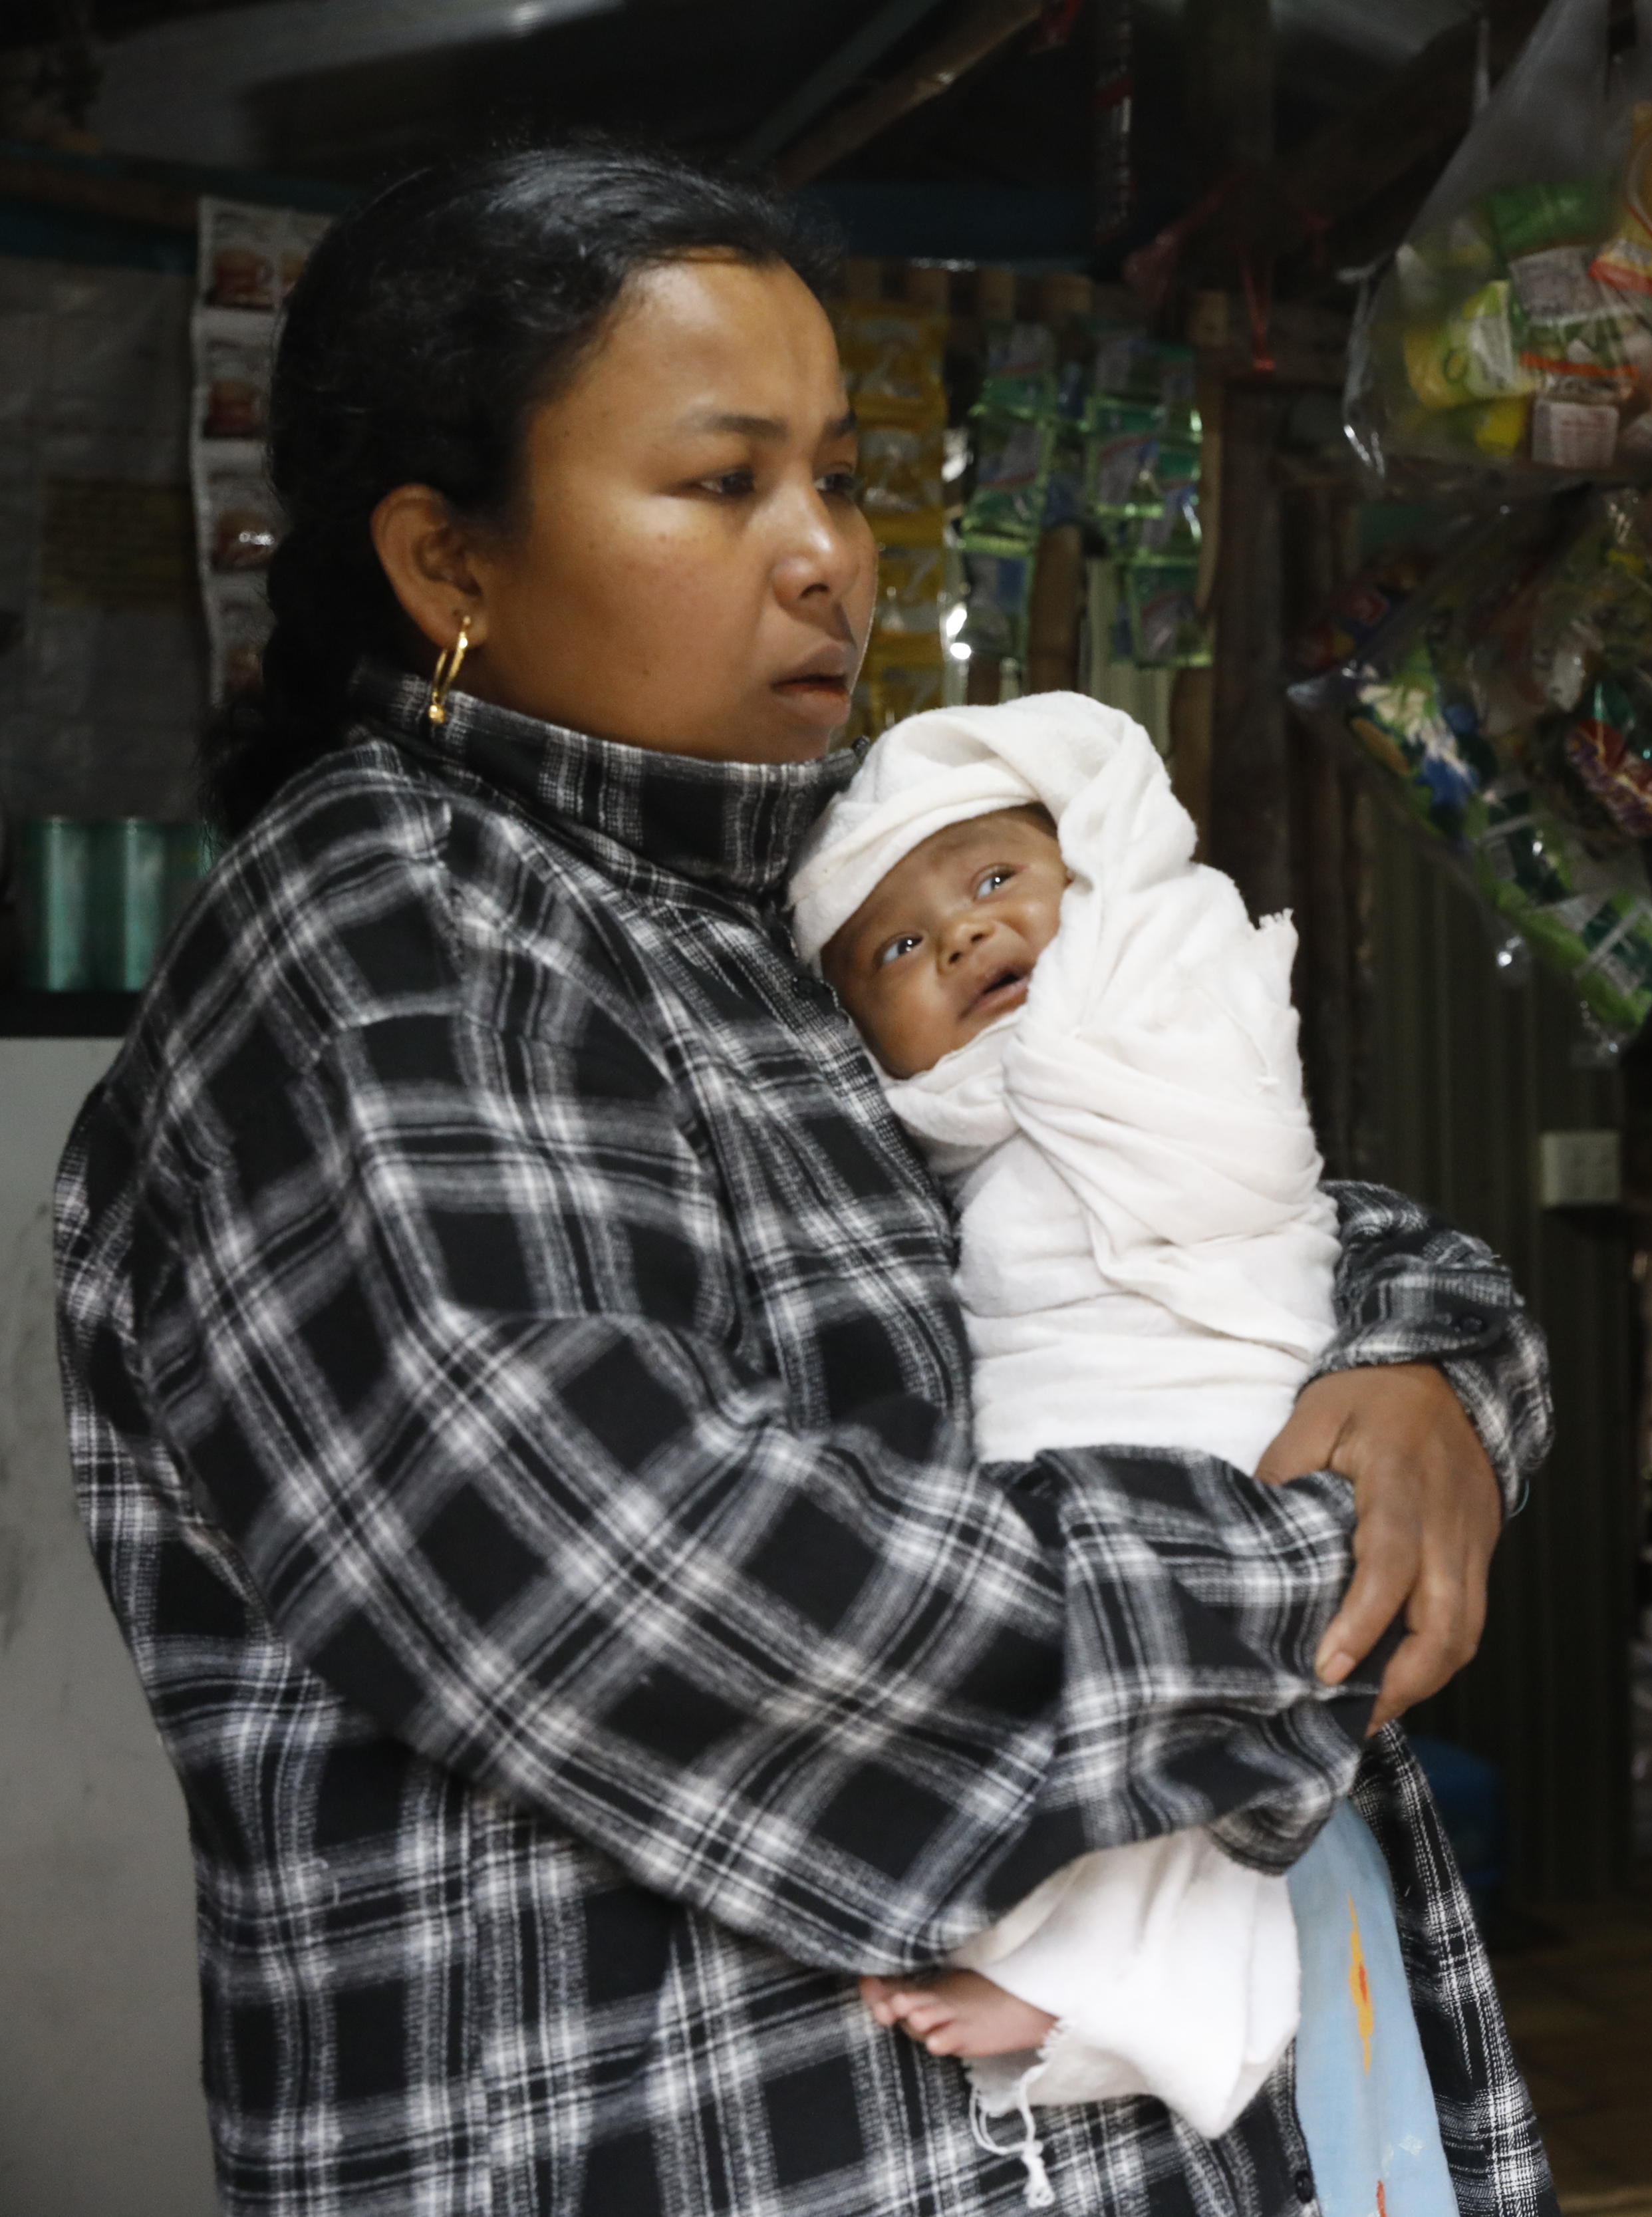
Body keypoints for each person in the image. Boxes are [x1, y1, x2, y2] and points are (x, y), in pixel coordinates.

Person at [58, 139, 1552, 2217]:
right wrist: (1319, 1570)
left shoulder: (811, 902)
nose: (827, 555)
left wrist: (1431, 1376)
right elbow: (628, 1570)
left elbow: (1229, 1179)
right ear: (445, 562)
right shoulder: (389, 945)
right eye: (719, 481)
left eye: (838, 475)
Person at [784, 693, 1449, 2215]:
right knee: (1081, 1705)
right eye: (895, 947)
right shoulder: (923, 1123)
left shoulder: (1167, 968)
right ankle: (1115, 1980)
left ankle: (1134, 1999)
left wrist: (1072, 1055)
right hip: (1054, 1408)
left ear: (1093, 874)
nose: (960, 938)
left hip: (1211, 1376)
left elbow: (1244, 1162)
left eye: (997, 881)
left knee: (1193, 1709)